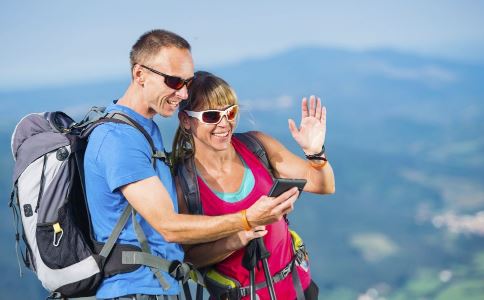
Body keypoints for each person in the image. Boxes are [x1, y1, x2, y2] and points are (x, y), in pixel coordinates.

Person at [84, 30, 299, 300]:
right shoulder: (119, 140)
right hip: (135, 290)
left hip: (156, 288)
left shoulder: (142, 131)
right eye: (174, 81)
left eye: (186, 82)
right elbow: (168, 226)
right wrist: (247, 219)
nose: (183, 93)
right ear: (140, 75)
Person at [173, 71, 335, 300]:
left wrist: (315, 151)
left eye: (230, 113)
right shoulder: (184, 184)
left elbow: (323, 184)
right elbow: (188, 258)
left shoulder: (257, 146)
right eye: (211, 116)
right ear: (185, 121)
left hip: (299, 290)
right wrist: (236, 238)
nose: (224, 123)